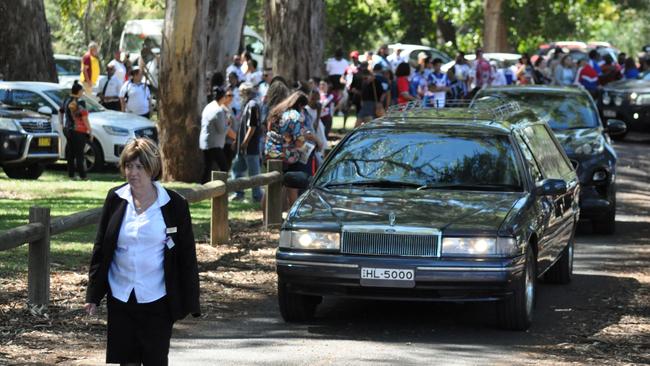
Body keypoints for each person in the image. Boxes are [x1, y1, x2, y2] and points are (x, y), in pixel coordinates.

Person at [84, 138, 200, 366]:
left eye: (139, 167)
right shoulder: (116, 199)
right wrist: (93, 295)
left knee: (155, 360)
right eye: (129, 166)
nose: (133, 173)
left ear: (152, 169)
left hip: (157, 299)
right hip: (121, 296)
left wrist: (191, 301)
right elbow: (101, 248)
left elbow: (187, 257)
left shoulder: (174, 204)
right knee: (126, 361)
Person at [232, 82, 263, 202]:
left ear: (246, 92)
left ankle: (257, 196)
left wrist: (245, 142)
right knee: (237, 170)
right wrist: (237, 141)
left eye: (241, 92)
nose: (239, 94)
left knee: (254, 173)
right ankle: (238, 193)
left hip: (250, 147)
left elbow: (253, 126)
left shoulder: (253, 105)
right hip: (242, 146)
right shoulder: (248, 104)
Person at [200, 86, 233, 183]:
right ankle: (220, 190)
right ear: (223, 97)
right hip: (214, 144)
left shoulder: (208, 106)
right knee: (224, 168)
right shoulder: (218, 110)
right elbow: (222, 130)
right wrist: (228, 124)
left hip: (205, 142)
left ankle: (203, 188)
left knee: (208, 168)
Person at [61, 80, 92, 180]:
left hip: (68, 129)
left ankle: (71, 174)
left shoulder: (67, 100)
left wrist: (62, 123)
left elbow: (60, 111)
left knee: (71, 153)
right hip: (79, 130)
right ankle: (82, 175)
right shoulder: (80, 102)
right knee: (79, 154)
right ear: (78, 91)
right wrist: (90, 130)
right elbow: (84, 118)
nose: (83, 92)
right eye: (82, 90)